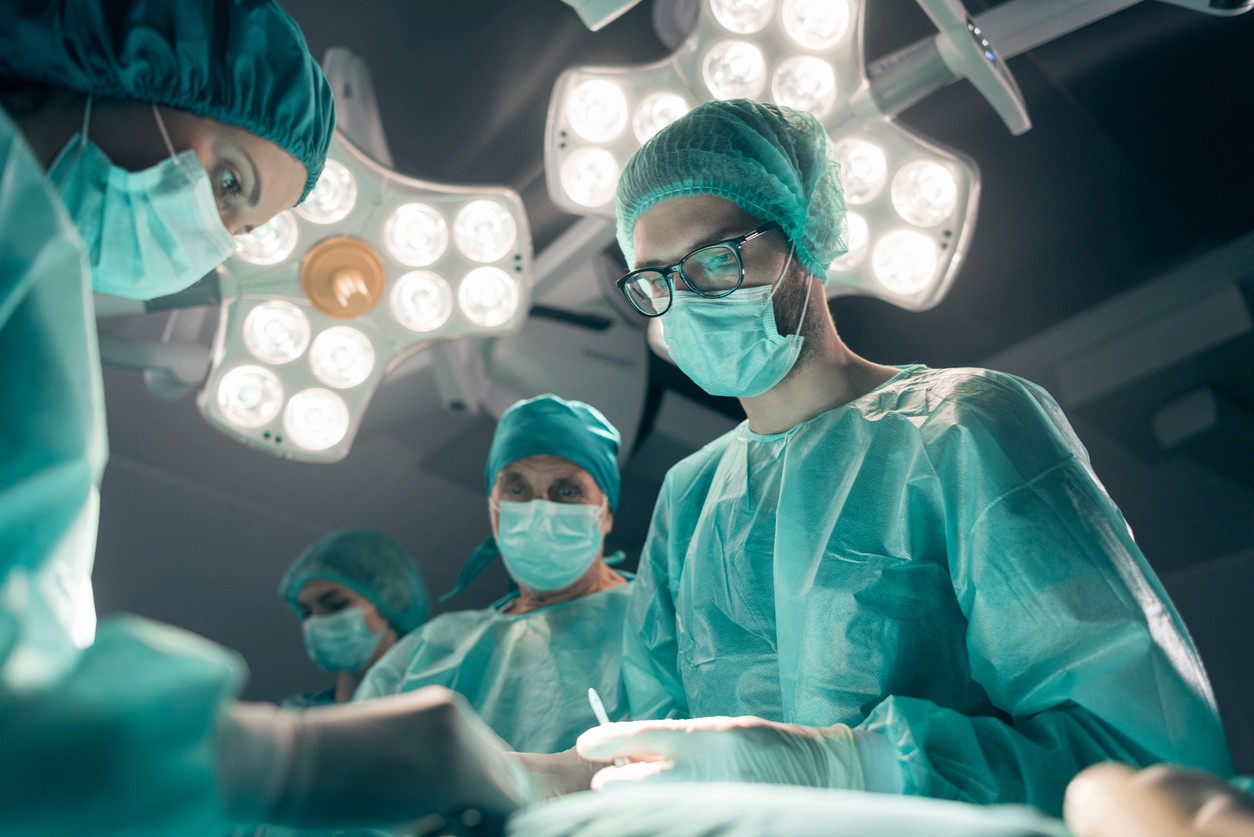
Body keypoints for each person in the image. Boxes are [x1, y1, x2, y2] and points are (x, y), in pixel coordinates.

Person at [565, 99, 1234, 816]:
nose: (686, 300)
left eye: (716, 260)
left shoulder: (966, 423)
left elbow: (1139, 756)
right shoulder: (689, 497)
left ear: (802, 238)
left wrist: (852, 769)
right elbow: (649, 764)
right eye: (657, 281)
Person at [0, 2, 528, 833]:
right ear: (129, 62)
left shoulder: (31, 262)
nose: (209, 240)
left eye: (238, 228)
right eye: (228, 183)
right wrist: (282, 766)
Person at [358, 394, 633, 755]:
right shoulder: (434, 650)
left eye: (567, 491)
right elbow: (359, 767)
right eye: (517, 489)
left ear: (606, 512)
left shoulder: (654, 622)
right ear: (494, 509)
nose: (540, 511)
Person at [279, 528, 431, 707]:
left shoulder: (432, 714)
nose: (317, 621)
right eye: (306, 613)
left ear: (392, 601)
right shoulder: (298, 719)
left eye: (336, 605)